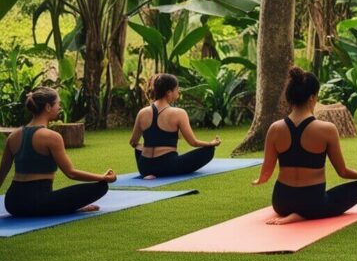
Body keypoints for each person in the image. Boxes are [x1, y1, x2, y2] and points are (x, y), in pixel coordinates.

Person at [252, 67, 357, 225]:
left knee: (304, 200)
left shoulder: (275, 128)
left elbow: (266, 172)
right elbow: (342, 172)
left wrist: (259, 180)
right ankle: (303, 215)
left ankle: (295, 214)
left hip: (281, 202)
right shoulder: (327, 129)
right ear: (312, 97)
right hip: (313, 203)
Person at [1, 88, 115, 216]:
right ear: (48, 107)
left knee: (54, 198)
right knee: (101, 187)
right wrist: (103, 177)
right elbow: (71, 173)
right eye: (58, 104)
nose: (59, 107)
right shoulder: (51, 137)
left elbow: (2, 173)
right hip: (38, 202)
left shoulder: (13, 136)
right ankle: (64, 207)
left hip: (13, 203)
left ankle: (61, 206)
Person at [129, 74, 220, 179]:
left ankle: (150, 173)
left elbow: (133, 142)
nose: (179, 92)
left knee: (139, 149)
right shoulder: (179, 113)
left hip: (144, 166)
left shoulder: (142, 112)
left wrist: (147, 146)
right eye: (177, 89)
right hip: (167, 166)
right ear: (169, 93)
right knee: (209, 151)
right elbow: (193, 142)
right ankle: (159, 172)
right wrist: (211, 143)